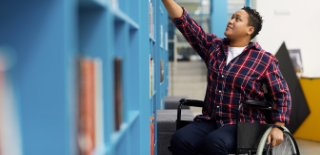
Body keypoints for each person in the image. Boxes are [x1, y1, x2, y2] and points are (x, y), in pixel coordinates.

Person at [161, 0, 292, 155]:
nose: (230, 21)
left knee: (215, 143)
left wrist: (278, 125)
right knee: (180, 139)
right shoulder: (214, 48)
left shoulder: (264, 60)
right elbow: (186, 24)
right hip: (212, 120)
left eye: (237, 19)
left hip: (244, 124)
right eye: (232, 17)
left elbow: (282, 93)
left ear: (250, 30)